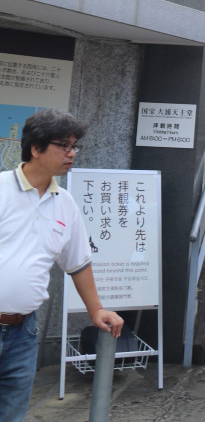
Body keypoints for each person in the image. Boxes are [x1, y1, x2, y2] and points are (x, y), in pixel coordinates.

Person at [0, 110, 124, 422]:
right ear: (35, 148)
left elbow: (78, 264)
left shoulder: (65, 203)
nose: (72, 154)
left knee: (12, 412)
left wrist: (96, 310)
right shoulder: (1, 189)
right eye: (64, 146)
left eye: (74, 147)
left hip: (23, 331)